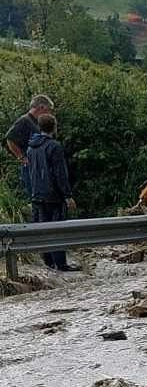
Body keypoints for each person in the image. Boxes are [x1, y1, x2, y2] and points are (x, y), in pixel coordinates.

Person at [26, 113, 79, 271]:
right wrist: (68, 196)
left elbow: (29, 173)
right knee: (57, 230)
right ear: (54, 127)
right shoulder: (54, 146)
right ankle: (61, 264)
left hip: (37, 195)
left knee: (43, 230)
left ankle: (48, 263)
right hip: (53, 196)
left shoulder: (30, 147)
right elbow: (60, 174)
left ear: (39, 127)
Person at [5, 94, 54, 198]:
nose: (49, 113)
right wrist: (21, 157)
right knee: (37, 198)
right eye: (48, 110)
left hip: (40, 166)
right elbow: (10, 139)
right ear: (41, 107)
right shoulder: (24, 120)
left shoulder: (36, 122)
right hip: (30, 166)